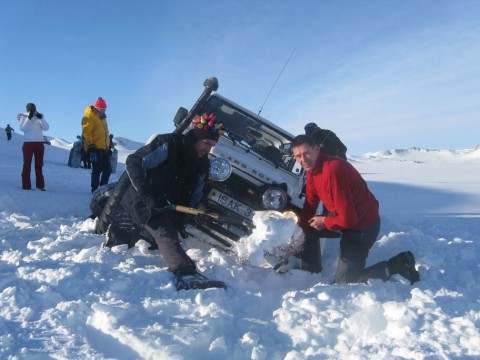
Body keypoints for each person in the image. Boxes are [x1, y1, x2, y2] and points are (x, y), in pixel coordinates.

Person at [103, 113, 226, 291]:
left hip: (166, 205)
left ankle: (119, 234)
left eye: (212, 146)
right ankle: (185, 273)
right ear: (196, 138)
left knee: (158, 238)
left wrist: (200, 209)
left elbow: (196, 194)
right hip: (143, 199)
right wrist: (147, 195)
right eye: (206, 143)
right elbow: (134, 162)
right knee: (164, 233)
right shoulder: (169, 144)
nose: (208, 149)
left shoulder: (202, 164)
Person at [290, 134, 420, 285]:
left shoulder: (333, 170)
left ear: (317, 149)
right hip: (342, 217)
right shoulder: (311, 171)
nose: (303, 160)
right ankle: (311, 275)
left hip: (362, 227)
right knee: (308, 228)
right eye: (298, 156)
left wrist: (325, 221)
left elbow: (348, 219)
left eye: (306, 153)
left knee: (345, 281)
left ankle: (400, 263)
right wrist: (297, 231)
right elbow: (310, 204)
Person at [82, 97, 111, 192]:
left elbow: (106, 133)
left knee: (108, 170)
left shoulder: (102, 118)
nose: (103, 111)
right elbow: (86, 131)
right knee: (97, 169)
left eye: (104, 109)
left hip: (104, 148)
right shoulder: (90, 116)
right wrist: (90, 145)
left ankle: (103, 188)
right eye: (102, 109)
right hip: (94, 148)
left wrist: (108, 146)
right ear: (97, 108)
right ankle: (94, 189)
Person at [17, 103, 50, 191]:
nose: (32, 110)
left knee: (39, 164)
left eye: (34, 108)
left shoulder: (39, 116)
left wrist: (41, 118)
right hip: (28, 143)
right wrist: (29, 118)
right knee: (27, 164)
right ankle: (26, 185)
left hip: (39, 143)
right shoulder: (23, 116)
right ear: (27, 109)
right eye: (31, 109)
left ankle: (40, 185)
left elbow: (46, 128)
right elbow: (23, 128)